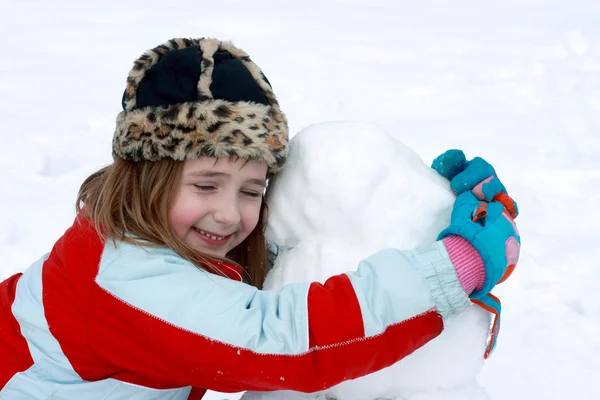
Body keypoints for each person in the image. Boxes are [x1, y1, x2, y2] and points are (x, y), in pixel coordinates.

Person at [0, 37, 520, 399]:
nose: (228, 214)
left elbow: (235, 291)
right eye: (206, 184)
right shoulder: (124, 280)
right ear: (147, 177)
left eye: (252, 190)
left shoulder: (150, 233)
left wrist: (412, 214)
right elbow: (279, 343)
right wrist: (452, 268)